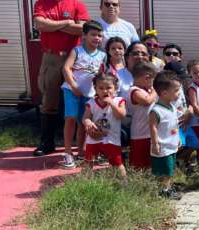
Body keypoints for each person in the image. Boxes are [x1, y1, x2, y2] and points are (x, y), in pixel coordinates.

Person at [32, 0, 89, 157]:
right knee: (49, 101)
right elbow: (40, 25)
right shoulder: (41, 3)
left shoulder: (77, 4)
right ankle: (47, 143)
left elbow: (82, 29)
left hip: (74, 57)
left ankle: (81, 146)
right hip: (51, 57)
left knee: (79, 99)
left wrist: (52, 24)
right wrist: (66, 22)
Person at [60, 20, 106, 167]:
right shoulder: (77, 50)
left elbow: (101, 75)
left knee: (83, 122)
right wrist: (73, 86)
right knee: (71, 118)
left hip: (89, 93)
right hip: (71, 91)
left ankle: (81, 152)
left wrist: (98, 93)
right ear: (84, 35)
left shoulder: (102, 55)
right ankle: (68, 153)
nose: (97, 38)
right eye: (93, 35)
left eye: (99, 35)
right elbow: (66, 68)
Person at [82, 74, 127, 177]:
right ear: (95, 89)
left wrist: (112, 103)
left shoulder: (119, 101)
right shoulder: (91, 102)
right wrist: (88, 122)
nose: (105, 91)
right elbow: (85, 117)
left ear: (115, 88)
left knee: (117, 162)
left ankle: (124, 183)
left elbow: (121, 115)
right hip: (94, 136)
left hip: (111, 138)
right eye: (101, 88)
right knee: (89, 161)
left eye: (108, 88)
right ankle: (84, 182)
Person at [150, 71, 182, 200]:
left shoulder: (172, 107)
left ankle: (167, 188)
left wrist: (178, 137)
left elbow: (174, 124)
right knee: (165, 171)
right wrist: (155, 143)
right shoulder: (156, 110)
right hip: (162, 147)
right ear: (164, 93)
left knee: (170, 169)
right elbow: (153, 127)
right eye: (176, 90)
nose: (179, 93)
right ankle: (164, 191)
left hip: (172, 145)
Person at [127, 62, 157, 169]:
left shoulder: (149, 90)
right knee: (139, 164)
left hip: (151, 132)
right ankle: (137, 183)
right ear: (147, 78)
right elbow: (146, 101)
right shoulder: (134, 90)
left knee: (151, 161)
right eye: (153, 79)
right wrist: (156, 90)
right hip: (140, 133)